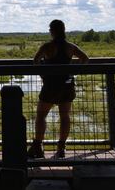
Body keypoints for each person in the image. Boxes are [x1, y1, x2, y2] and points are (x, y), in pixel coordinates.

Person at [27, 19, 89, 159]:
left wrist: (43, 74)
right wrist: (73, 72)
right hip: (66, 85)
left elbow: (35, 61)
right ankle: (61, 147)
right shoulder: (70, 47)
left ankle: (38, 145)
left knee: (41, 115)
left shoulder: (47, 47)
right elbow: (85, 58)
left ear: (52, 31)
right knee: (65, 116)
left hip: (50, 86)